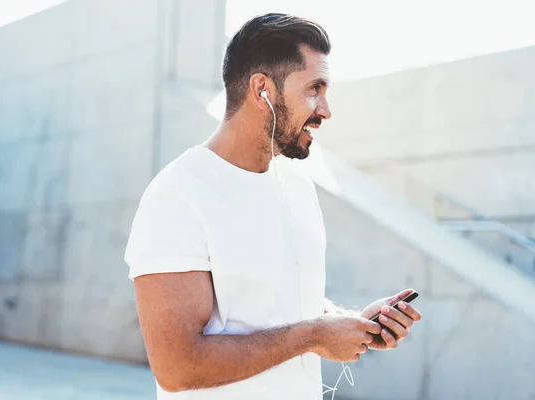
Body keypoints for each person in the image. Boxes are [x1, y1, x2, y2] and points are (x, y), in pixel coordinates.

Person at [124, 12, 422, 399]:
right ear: (262, 89)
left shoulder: (298, 187)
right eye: (314, 89)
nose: (326, 110)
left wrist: (351, 323)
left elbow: (282, 304)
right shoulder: (178, 194)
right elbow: (178, 367)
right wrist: (313, 336)